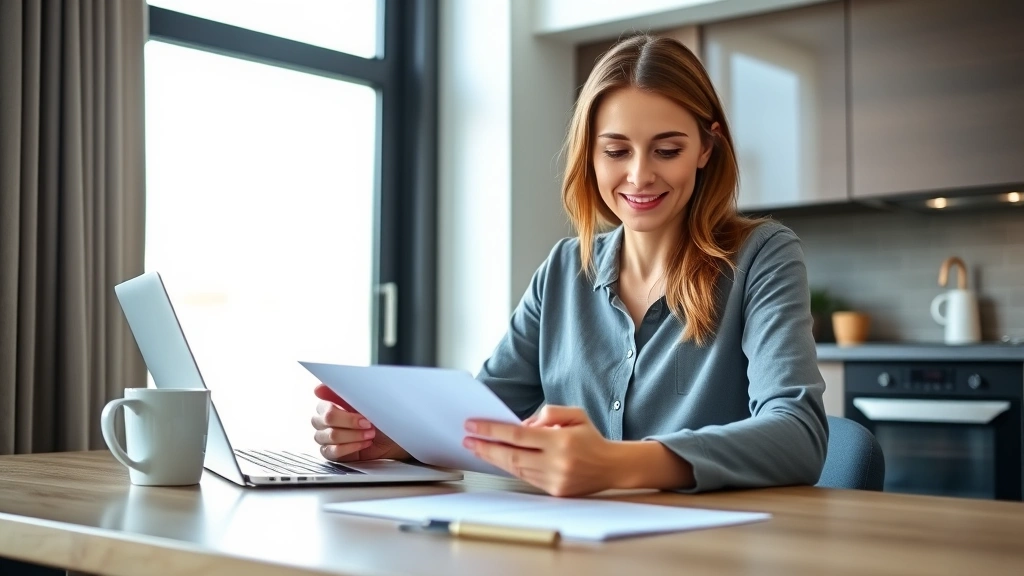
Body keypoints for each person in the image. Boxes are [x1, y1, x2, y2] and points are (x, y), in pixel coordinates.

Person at [310, 34, 828, 497]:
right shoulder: (563, 270)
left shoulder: (764, 254)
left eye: (667, 150)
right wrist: (393, 436)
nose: (640, 175)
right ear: (591, 155)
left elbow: (798, 434)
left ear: (706, 148)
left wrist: (615, 465)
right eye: (616, 151)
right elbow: (486, 416)